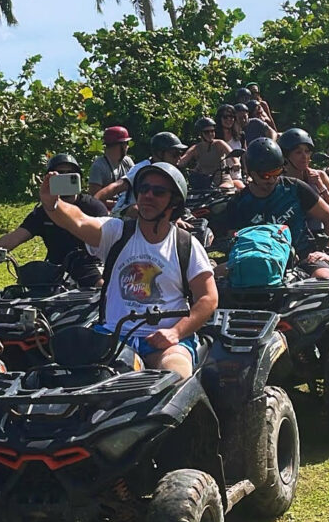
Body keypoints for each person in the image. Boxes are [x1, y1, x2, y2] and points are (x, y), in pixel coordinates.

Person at [39, 162, 218, 379]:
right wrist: (53, 204)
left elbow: (208, 298)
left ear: (174, 202)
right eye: (143, 189)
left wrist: (176, 332)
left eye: (158, 191)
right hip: (111, 337)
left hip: (165, 343)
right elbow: (78, 221)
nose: (148, 195)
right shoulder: (116, 233)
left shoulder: (185, 245)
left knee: (174, 376)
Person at [0, 154, 107, 286]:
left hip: (90, 266)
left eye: (70, 173)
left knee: (103, 291)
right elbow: (16, 236)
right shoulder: (43, 212)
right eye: (59, 174)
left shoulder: (93, 207)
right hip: (54, 270)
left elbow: (109, 239)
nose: (64, 176)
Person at [217, 138, 329, 280]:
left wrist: (328, 251)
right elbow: (235, 241)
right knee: (214, 276)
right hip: (259, 262)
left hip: (304, 257)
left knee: (326, 277)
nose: (271, 180)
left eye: (276, 172)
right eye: (265, 175)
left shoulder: (295, 187)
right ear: (251, 172)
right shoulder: (238, 203)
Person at [280, 128, 329, 282]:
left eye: (307, 151)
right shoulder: (279, 182)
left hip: (321, 240)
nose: (304, 157)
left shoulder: (320, 176)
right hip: (291, 242)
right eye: (298, 152)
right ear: (286, 156)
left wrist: (321, 188)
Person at [100, 132, 190, 217]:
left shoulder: (169, 171)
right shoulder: (142, 168)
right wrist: (93, 204)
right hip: (124, 213)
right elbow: (117, 186)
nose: (179, 158)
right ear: (159, 154)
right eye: (174, 154)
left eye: (180, 154)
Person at [179, 117, 235, 190]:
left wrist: (236, 163)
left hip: (222, 180)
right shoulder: (196, 148)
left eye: (212, 131)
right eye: (206, 132)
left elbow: (232, 154)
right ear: (200, 134)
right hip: (204, 183)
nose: (210, 134)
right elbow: (182, 161)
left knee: (223, 190)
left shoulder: (219, 143)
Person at [88, 126, 134, 198]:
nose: (127, 146)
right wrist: (117, 205)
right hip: (105, 208)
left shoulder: (127, 161)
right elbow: (94, 199)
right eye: (126, 143)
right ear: (120, 145)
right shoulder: (98, 166)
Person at [216, 104, 244, 181]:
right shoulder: (214, 137)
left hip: (236, 177)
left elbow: (244, 156)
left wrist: (248, 175)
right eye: (225, 117)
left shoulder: (240, 136)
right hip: (219, 178)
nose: (229, 119)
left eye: (232, 117)